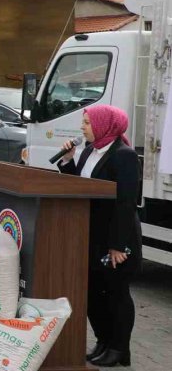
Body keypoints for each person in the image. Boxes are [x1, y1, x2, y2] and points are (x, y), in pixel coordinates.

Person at [57, 105, 141, 367]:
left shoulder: (124, 156)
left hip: (116, 237)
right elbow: (80, 188)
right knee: (92, 291)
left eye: (86, 123)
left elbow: (126, 203)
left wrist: (118, 245)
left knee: (117, 293)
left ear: (104, 125)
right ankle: (103, 341)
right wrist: (68, 160)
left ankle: (119, 348)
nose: (82, 128)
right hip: (91, 236)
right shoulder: (88, 152)